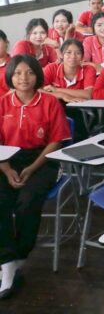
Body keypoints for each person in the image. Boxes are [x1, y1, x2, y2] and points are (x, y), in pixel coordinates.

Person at [0, 55, 71, 299]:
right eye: (18, 73)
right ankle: (7, 262)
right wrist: (7, 169)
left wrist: (31, 168)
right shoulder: (2, 103)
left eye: (29, 72)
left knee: (27, 200)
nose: (23, 78)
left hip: (43, 160)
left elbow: (56, 141)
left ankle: (18, 258)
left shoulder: (50, 102)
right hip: (7, 159)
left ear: (37, 75)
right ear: (10, 76)